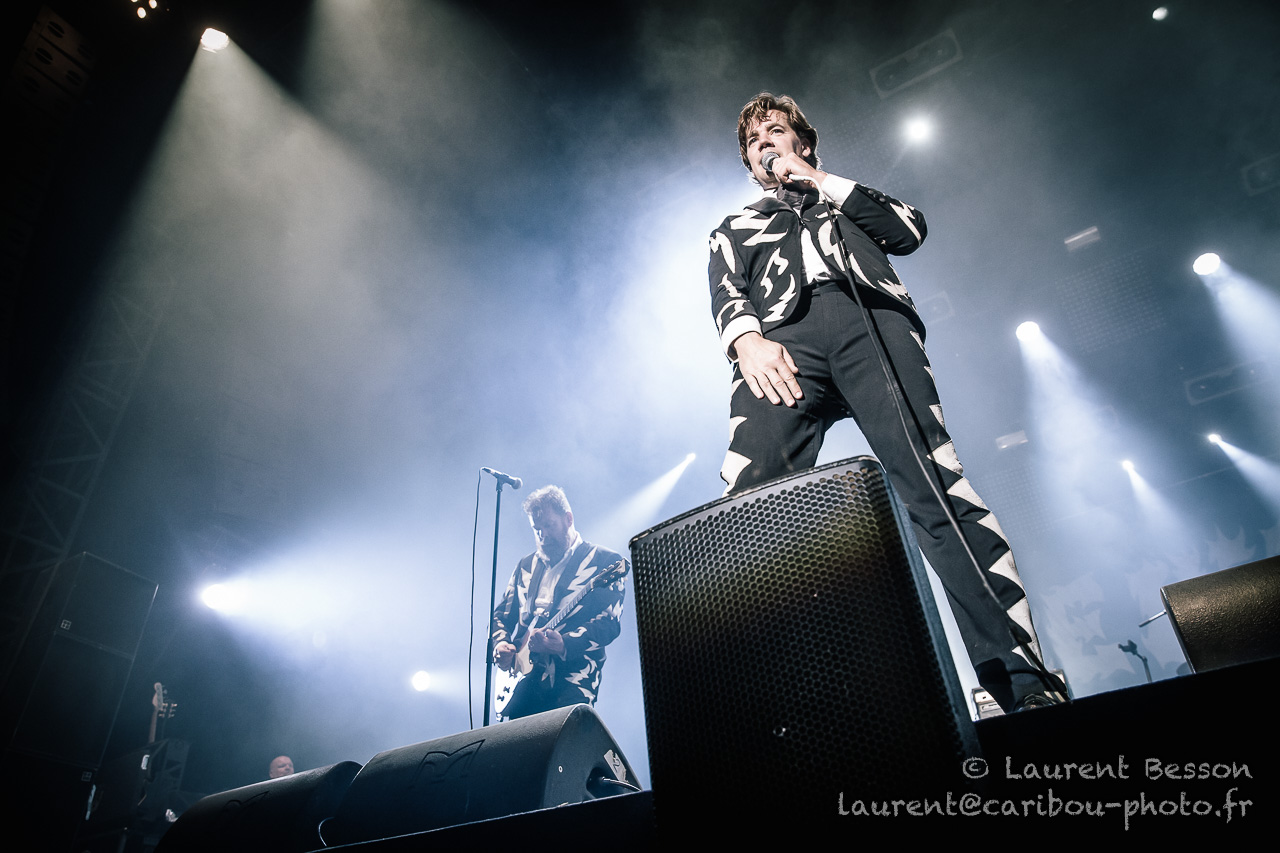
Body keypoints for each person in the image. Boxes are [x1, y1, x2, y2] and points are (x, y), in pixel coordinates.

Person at [707, 92, 1064, 712]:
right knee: (750, 498)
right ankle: (770, 700)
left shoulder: (845, 195)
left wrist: (818, 181)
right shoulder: (733, 226)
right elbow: (726, 290)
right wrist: (746, 342)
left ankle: (1021, 680)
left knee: (934, 485)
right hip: (782, 347)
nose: (764, 144)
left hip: (870, 323)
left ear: (802, 142)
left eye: (775, 132)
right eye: (753, 141)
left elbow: (908, 230)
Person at [491, 485, 627, 719]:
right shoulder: (525, 566)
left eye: (549, 525)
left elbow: (608, 624)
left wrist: (563, 644)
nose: (543, 536)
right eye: (537, 529)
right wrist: (501, 644)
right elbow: (501, 616)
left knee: (563, 740)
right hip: (521, 685)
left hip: (572, 681)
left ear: (568, 519)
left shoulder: (604, 561)